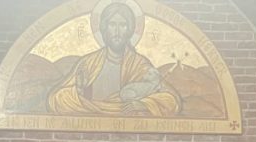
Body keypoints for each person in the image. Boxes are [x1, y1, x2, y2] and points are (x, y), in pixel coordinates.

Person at [46, 2, 180, 117]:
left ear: (130, 30)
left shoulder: (140, 65)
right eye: (112, 24)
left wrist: (143, 104)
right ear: (104, 28)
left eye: (123, 25)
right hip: (91, 117)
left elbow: (171, 100)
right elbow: (56, 98)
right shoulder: (88, 63)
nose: (117, 31)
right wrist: (78, 95)